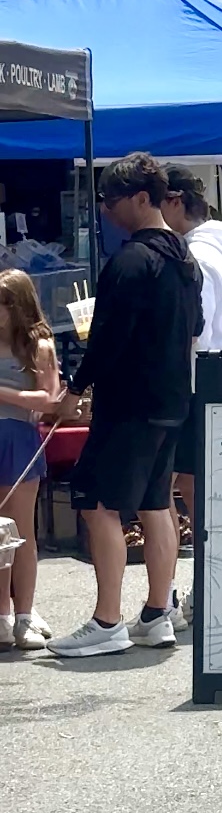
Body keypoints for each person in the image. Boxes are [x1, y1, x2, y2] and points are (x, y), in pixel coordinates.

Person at [49, 152, 203, 657]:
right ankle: (158, 611)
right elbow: (195, 327)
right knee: (157, 503)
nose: (107, 211)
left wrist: (74, 392)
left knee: (98, 504)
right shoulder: (185, 260)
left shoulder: (131, 260)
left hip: (130, 403)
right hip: (172, 399)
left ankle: (107, 620)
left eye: (112, 201)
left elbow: (107, 341)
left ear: (142, 197)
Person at [160, 164, 222, 626]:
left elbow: (196, 330)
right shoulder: (210, 252)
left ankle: (194, 590)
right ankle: (195, 589)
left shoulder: (196, 257)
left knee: (181, 493)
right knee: (192, 492)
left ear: (174, 202)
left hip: (192, 384)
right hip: (205, 381)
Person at [0, 271, 59, 648]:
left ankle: (24, 614)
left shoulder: (38, 346)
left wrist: (6, 395)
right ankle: (3, 615)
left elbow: (50, 398)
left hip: (18, 437)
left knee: (19, 532)